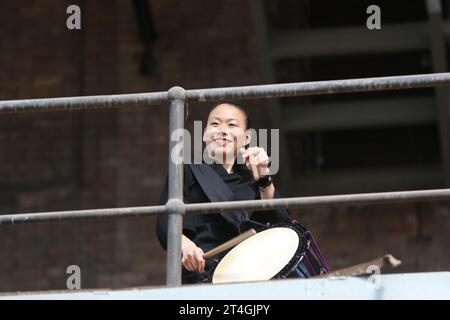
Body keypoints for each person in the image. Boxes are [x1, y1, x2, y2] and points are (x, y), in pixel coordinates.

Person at [156, 103, 290, 284]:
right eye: (215, 124)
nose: (223, 130)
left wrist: (264, 178)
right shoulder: (187, 170)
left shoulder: (254, 179)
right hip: (203, 272)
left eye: (232, 125)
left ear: (246, 138)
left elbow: (281, 226)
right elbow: (166, 222)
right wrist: (185, 244)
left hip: (251, 275)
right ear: (204, 134)